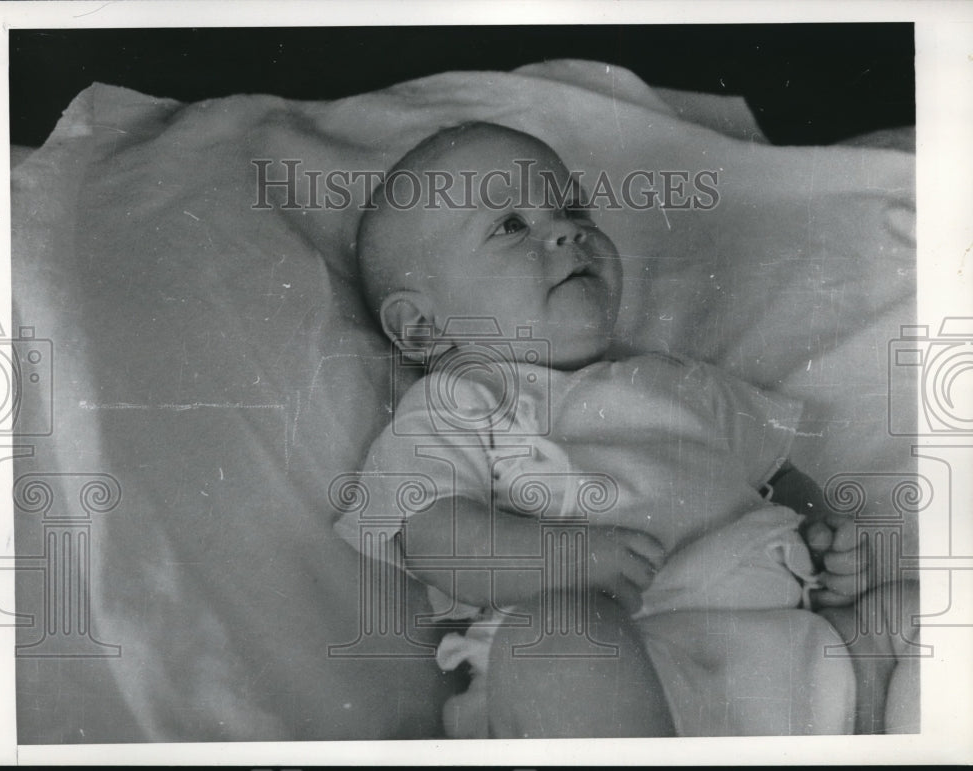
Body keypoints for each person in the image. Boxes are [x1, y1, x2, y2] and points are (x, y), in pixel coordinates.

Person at [334, 121, 919, 738]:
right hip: (625, 670)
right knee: (554, 637)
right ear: (423, 329)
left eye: (571, 208)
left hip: (799, 654)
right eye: (510, 226)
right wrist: (562, 560)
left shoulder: (681, 381)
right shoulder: (461, 400)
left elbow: (778, 470)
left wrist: (828, 540)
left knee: (918, 616)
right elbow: (430, 536)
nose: (567, 231)